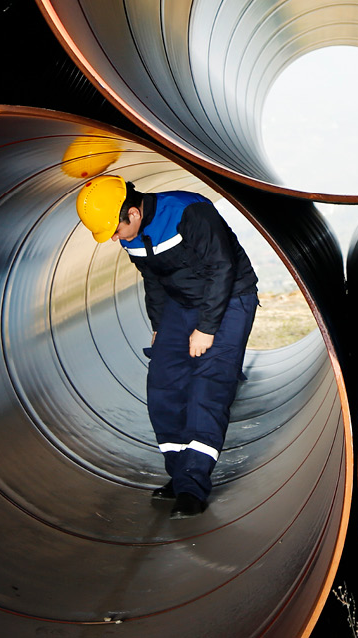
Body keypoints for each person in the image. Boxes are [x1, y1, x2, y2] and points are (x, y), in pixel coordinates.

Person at [76, 174, 258, 518]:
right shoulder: (131, 237)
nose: (114, 238)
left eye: (115, 230)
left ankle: (192, 486)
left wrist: (206, 329)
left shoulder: (189, 213)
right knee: (163, 383)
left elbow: (223, 268)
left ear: (132, 213)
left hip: (230, 297)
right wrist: (160, 327)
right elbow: (155, 280)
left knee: (208, 387)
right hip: (180, 304)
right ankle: (178, 473)